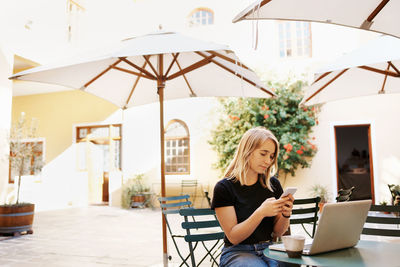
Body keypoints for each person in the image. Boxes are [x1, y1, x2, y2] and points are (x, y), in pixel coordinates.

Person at [211, 127, 294, 267]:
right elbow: (234, 237)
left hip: (269, 248)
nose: (268, 161)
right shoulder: (224, 188)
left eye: (271, 156)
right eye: (263, 154)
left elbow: (278, 232)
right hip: (237, 251)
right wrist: (261, 212)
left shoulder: (273, 185)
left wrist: (286, 215)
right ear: (247, 151)